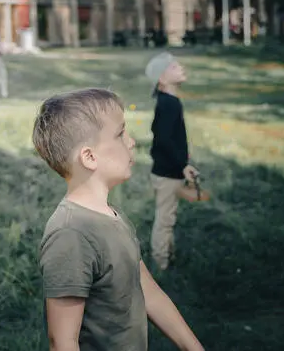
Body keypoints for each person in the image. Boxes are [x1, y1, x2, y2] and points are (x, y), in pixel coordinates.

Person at [34, 88, 204, 351]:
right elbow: (63, 341)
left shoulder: (113, 216)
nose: (132, 141)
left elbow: (148, 290)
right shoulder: (70, 235)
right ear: (89, 157)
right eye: (120, 133)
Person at [145, 52, 199, 271]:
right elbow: (164, 140)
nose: (181, 68)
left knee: (169, 214)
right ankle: (161, 264)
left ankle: (169, 255)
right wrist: (183, 165)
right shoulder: (169, 104)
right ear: (162, 79)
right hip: (168, 173)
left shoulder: (169, 102)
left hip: (168, 170)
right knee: (165, 219)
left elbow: (161, 133)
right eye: (175, 67)